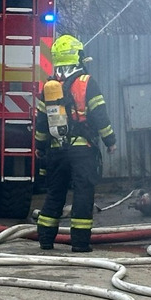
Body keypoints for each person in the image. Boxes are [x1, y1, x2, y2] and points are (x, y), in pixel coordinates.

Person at [33, 34, 116, 253]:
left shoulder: (49, 86)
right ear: (76, 55)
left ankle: (45, 240)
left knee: (55, 193)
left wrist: (40, 147)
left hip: (56, 149)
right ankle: (79, 243)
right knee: (83, 193)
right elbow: (99, 115)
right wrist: (110, 141)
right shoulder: (86, 82)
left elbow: (41, 122)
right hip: (82, 149)